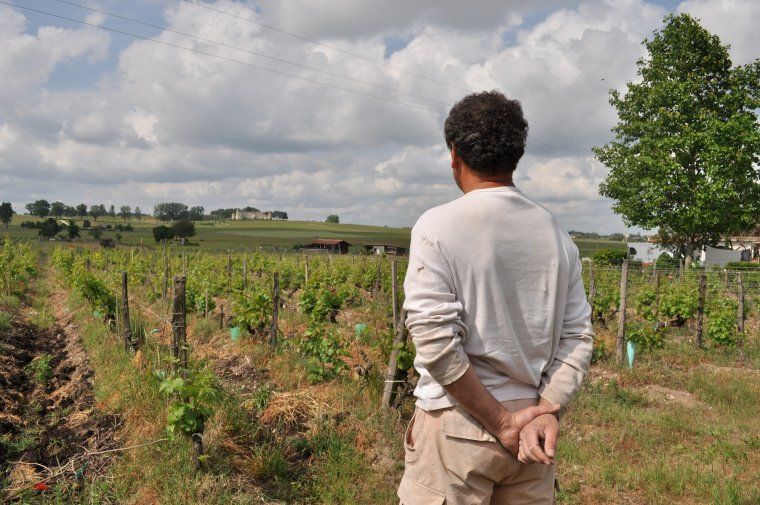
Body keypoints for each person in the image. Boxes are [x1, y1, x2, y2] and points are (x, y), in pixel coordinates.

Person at [398, 90, 594, 504]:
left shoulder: (437, 227)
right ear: (516, 156)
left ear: (454, 155)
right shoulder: (557, 234)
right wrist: (545, 411)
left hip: (458, 426)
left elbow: (435, 342)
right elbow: (578, 338)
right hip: (532, 437)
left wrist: (503, 422)